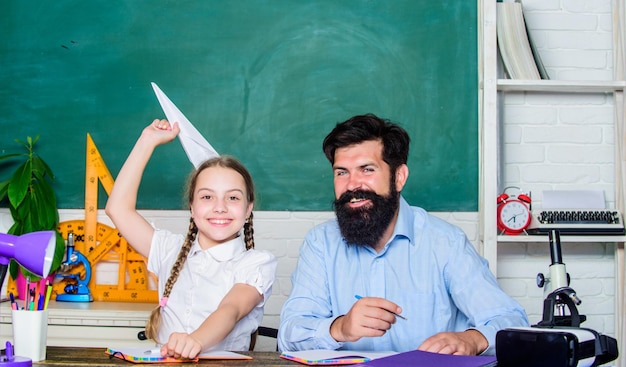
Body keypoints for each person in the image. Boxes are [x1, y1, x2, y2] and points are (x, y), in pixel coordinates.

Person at [277, 113, 529, 356]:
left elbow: (510, 320)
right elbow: (290, 334)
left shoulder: (445, 242)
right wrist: (339, 328)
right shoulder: (320, 243)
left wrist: (471, 339)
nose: (352, 184)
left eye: (367, 169)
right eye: (342, 172)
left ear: (399, 177)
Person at [105, 119, 277, 359]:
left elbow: (232, 309)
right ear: (192, 206)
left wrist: (195, 340)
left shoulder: (256, 263)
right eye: (207, 197)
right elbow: (118, 209)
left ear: (248, 209)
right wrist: (147, 141)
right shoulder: (168, 249)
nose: (220, 208)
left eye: (233, 198)